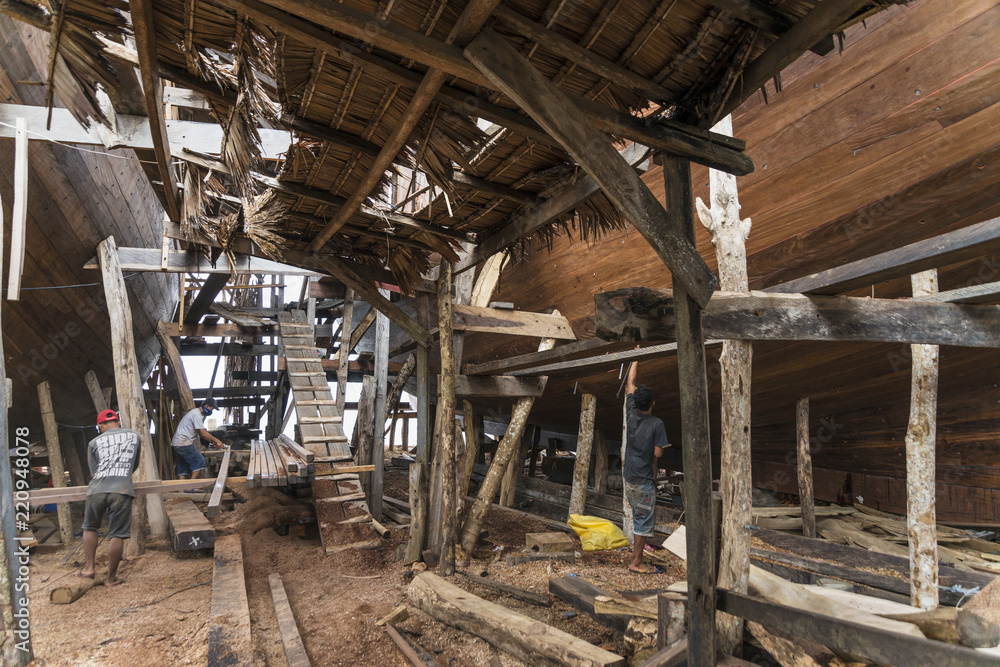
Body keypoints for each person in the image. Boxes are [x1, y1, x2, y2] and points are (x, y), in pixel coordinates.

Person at [80, 409, 141, 586]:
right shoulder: (134, 436)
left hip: (97, 489)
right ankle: (111, 578)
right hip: (121, 489)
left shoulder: (93, 442)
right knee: (117, 535)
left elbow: (93, 471)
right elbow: (134, 465)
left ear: (100, 426)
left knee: (89, 528)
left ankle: (89, 568)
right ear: (118, 421)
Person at [623, 360, 669, 574]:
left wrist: (635, 360)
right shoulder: (657, 424)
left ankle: (636, 558)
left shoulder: (630, 413)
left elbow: (629, 385)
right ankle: (636, 562)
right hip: (643, 481)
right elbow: (658, 453)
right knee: (642, 524)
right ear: (653, 403)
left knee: (638, 517)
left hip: (629, 478)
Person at [170, 398, 225, 480]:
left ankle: (181, 491)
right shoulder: (197, 415)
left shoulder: (194, 413)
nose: (211, 411)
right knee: (200, 461)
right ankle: (192, 486)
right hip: (183, 443)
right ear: (206, 406)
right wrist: (217, 441)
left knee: (183, 466)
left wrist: (213, 441)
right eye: (212, 408)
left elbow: (201, 434)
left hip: (177, 443)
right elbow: (203, 433)